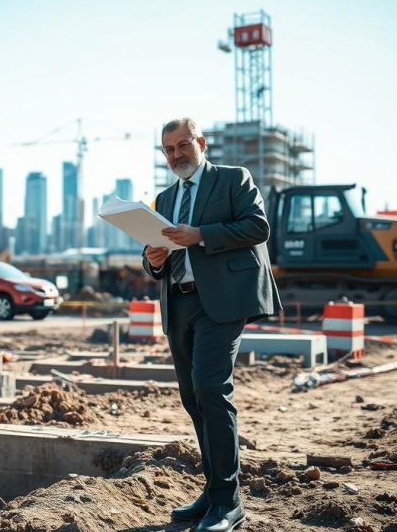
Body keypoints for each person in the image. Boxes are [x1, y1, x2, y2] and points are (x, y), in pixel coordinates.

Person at [142, 117, 281, 532]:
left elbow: (259, 227)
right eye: (168, 150)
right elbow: (158, 251)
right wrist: (153, 260)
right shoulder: (164, 198)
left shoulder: (233, 179)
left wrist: (200, 234)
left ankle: (229, 502)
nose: (176, 155)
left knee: (210, 389)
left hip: (221, 302)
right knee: (192, 397)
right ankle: (215, 490)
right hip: (178, 303)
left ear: (200, 142)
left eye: (183, 145)